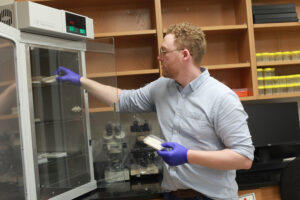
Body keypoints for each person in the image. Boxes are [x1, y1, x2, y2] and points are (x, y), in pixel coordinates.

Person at [55, 22, 254, 200]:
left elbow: (244, 158)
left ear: (185, 54)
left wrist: (188, 156)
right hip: (173, 194)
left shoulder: (222, 97)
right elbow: (123, 99)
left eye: (164, 52)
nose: (159, 57)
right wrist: (81, 81)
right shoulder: (161, 87)